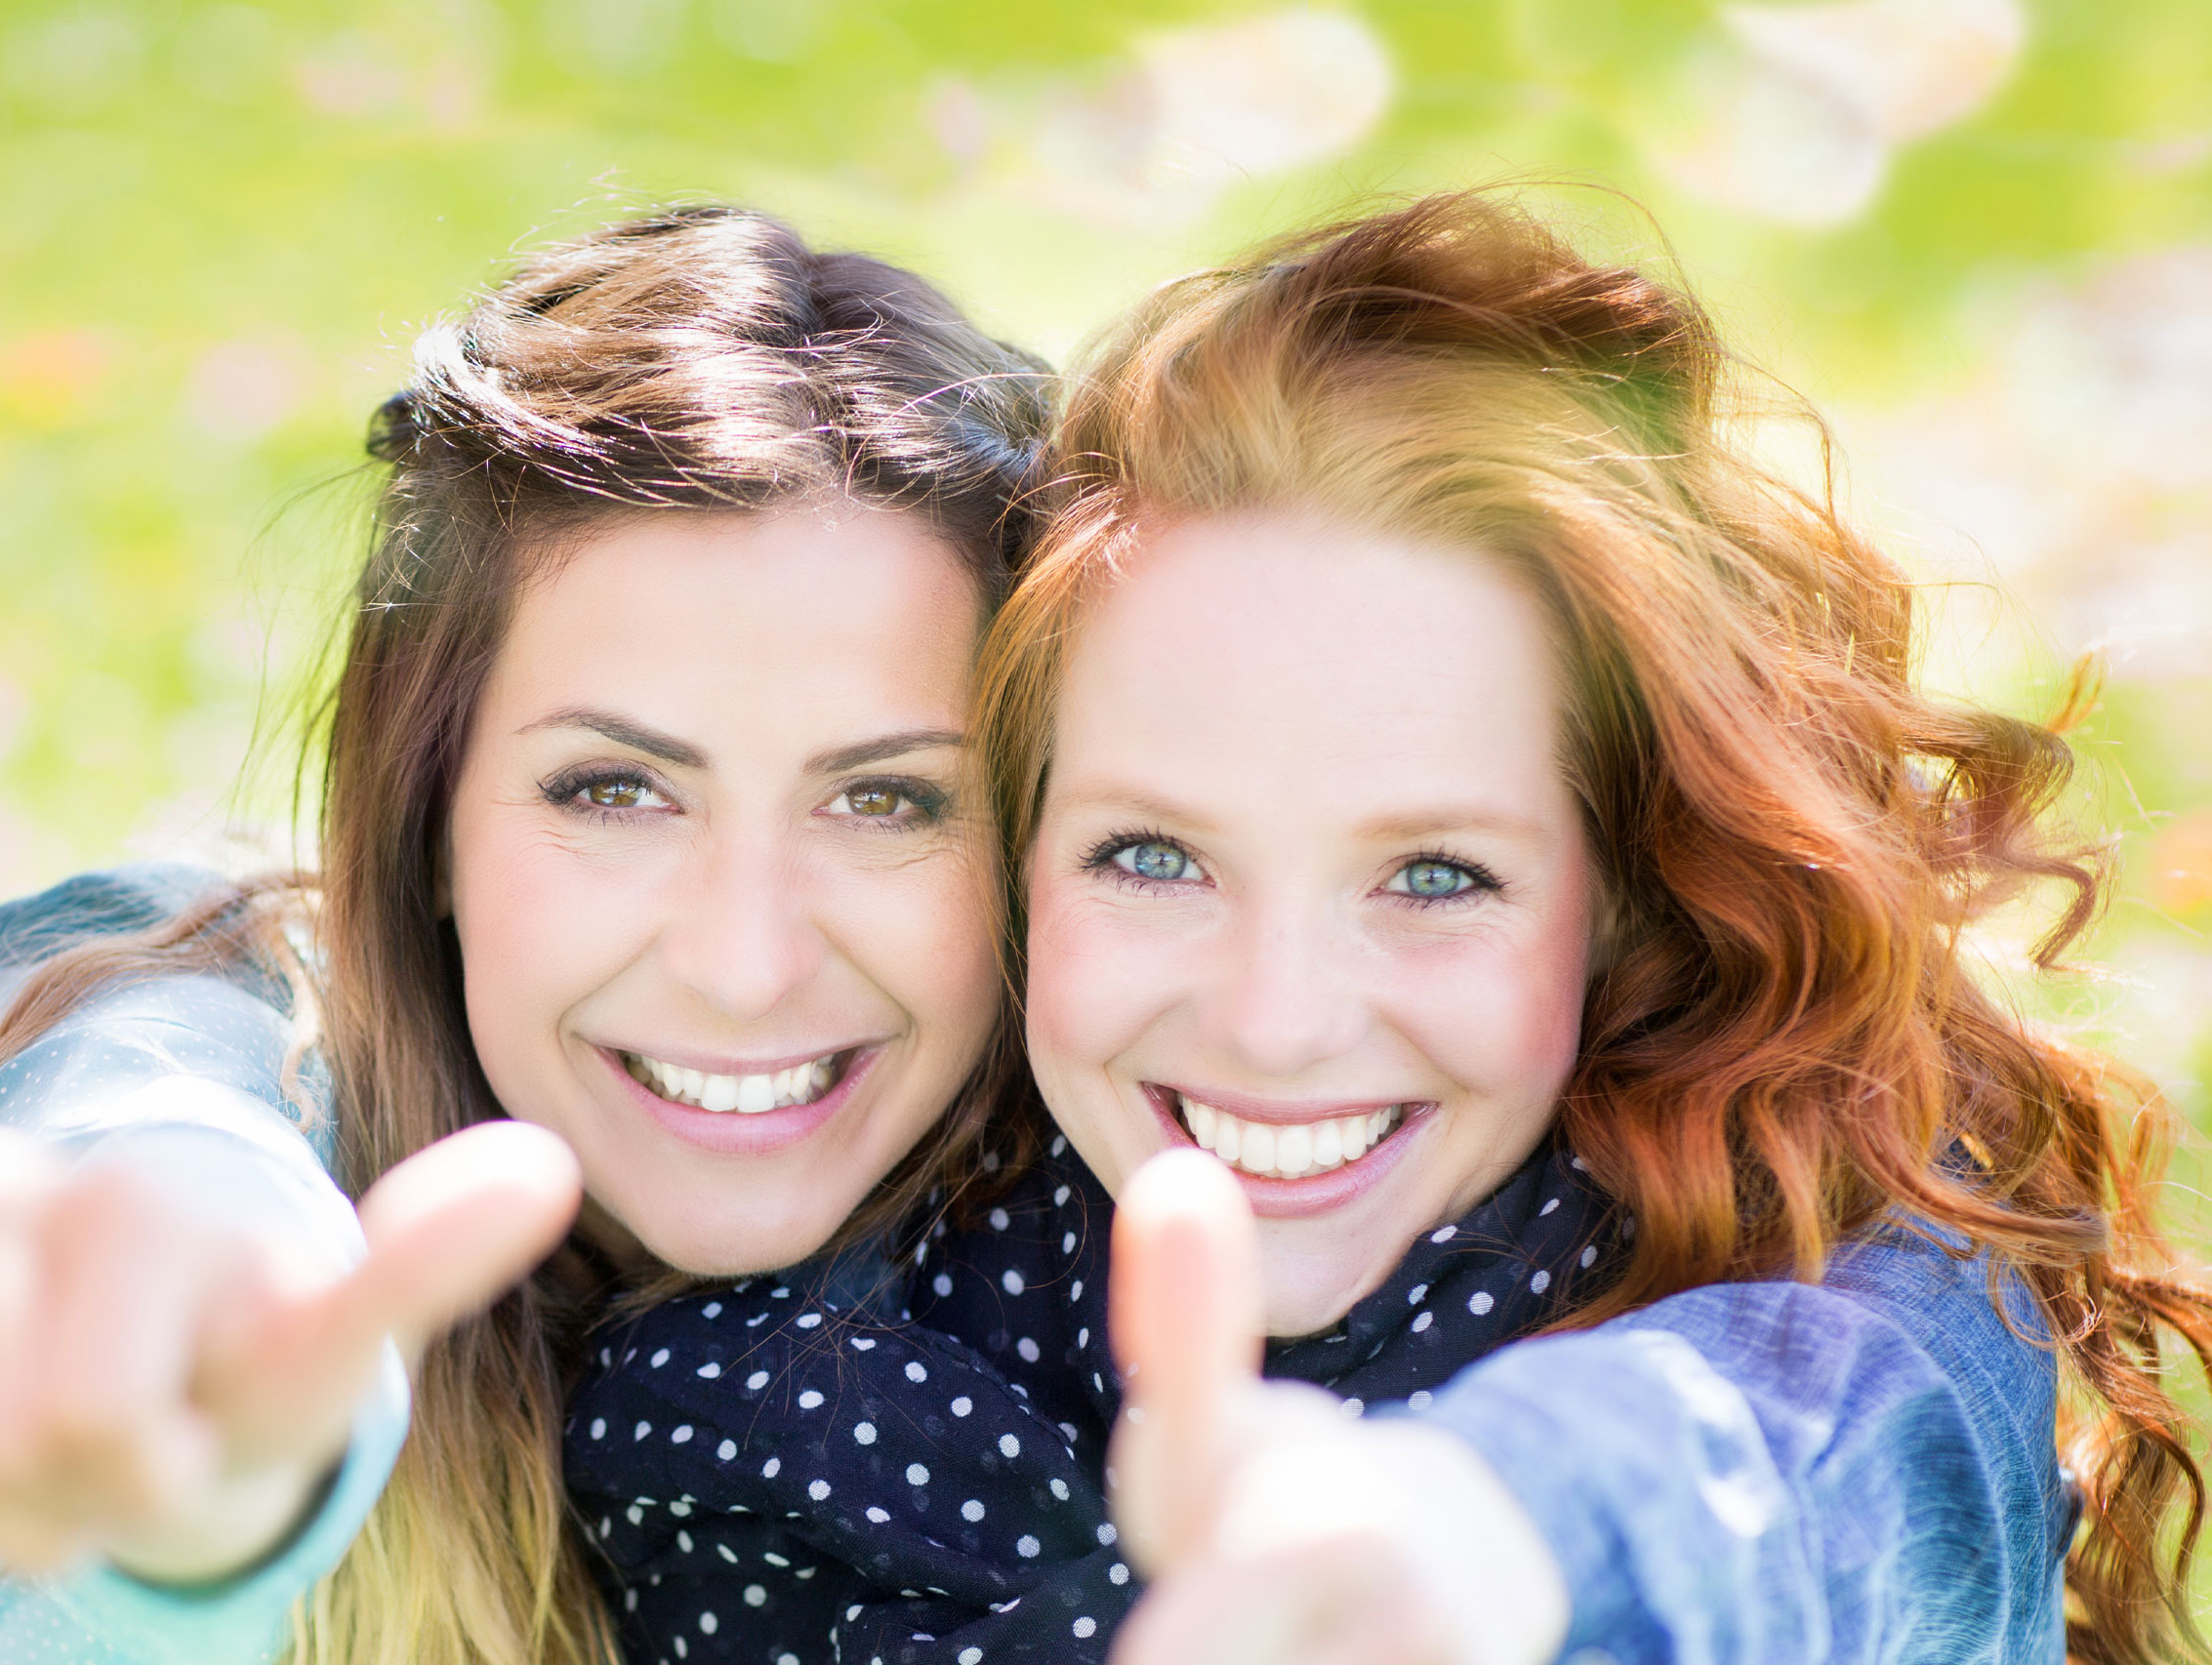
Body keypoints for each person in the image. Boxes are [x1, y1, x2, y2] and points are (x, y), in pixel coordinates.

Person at [563, 193, 2212, 1665]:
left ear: (1622, 898)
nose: (1277, 1020)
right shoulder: (739, 1407)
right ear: (1017, 850)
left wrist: (1480, 1539)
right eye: (1151, 856)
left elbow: (1782, 1470)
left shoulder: (1850, 1291)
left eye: (1432, 875)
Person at [0, 204, 1056, 1664]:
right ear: (425, 814)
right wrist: (197, 1451)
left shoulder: (1113, 1208)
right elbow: (150, 1125)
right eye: (616, 789)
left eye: (886, 798)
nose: (745, 961)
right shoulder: (218, 1048)